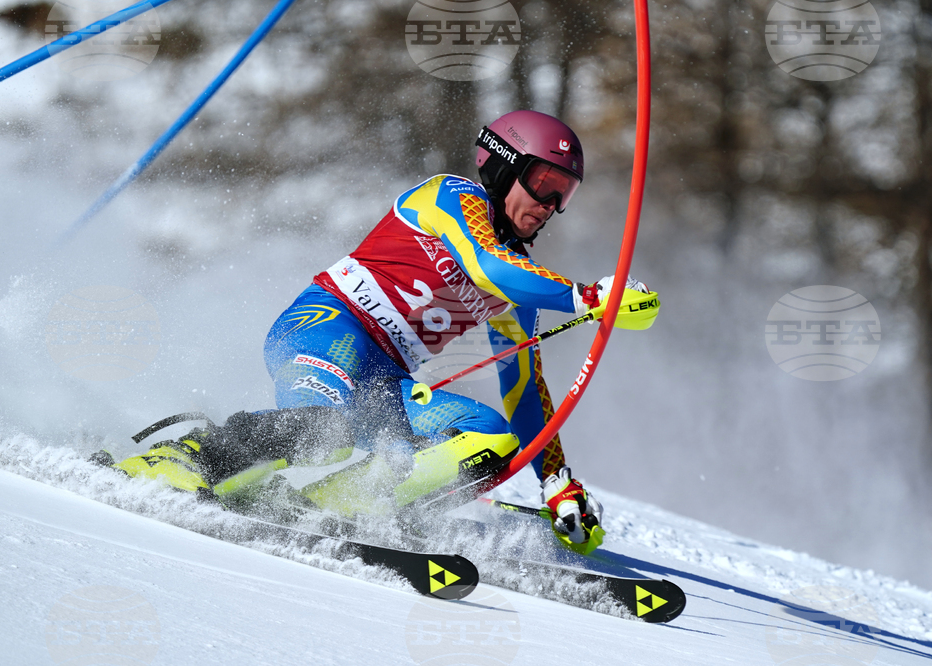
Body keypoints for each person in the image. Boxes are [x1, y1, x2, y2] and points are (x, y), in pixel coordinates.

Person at [107, 110, 656, 547]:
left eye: (565, 193)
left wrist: (556, 481)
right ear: (503, 166)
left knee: (492, 439)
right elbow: (485, 264)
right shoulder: (450, 197)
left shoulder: (519, 287)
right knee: (328, 427)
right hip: (329, 326)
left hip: (386, 379)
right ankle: (185, 457)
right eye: (543, 183)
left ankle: (328, 506)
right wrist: (587, 297)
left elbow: (524, 392)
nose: (551, 205)